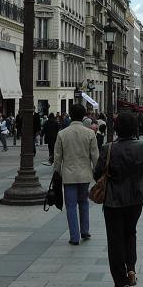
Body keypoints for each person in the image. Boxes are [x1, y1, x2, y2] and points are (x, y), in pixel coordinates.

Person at [94, 112, 143, 287]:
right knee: (130, 233)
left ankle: (120, 281)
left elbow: (97, 174)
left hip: (113, 199)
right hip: (136, 197)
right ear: (135, 128)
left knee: (115, 238)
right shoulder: (142, 146)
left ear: (116, 128)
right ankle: (131, 268)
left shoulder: (108, 148)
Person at [54, 105, 99, 245]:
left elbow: (57, 157)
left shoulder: (62, 133)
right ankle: (85, 230)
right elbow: (95, 157)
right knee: (84, 202)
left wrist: (58, 173)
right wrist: (96, 173)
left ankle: (74, 237)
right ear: (84, 115)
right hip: (85, 174)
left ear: (71, 115)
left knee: (71, 205)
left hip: (69, 175)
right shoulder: (90, 133)